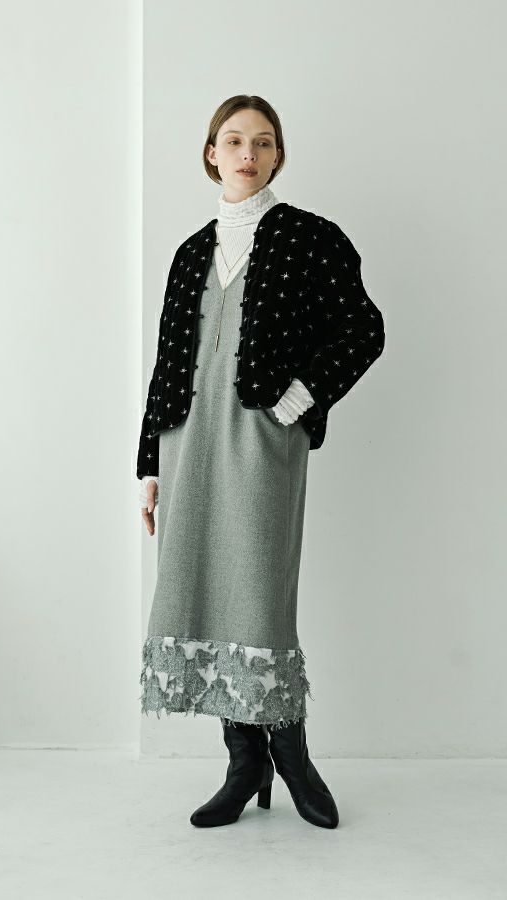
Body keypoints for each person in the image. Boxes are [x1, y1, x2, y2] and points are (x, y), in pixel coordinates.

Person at [136, 95, 385, 828]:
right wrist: (149, 466)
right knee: (201, 589)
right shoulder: (190, 252)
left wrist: (298, 399)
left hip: (260, 440)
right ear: (211, 152)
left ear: (278, 155)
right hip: (186, 441)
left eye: (265, 141)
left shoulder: (310, 238)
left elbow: (363, 328)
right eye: (235, 140)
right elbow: (166, 363)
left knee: (257, 595)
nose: (249, 153)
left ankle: (291, 756)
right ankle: (244, 764)